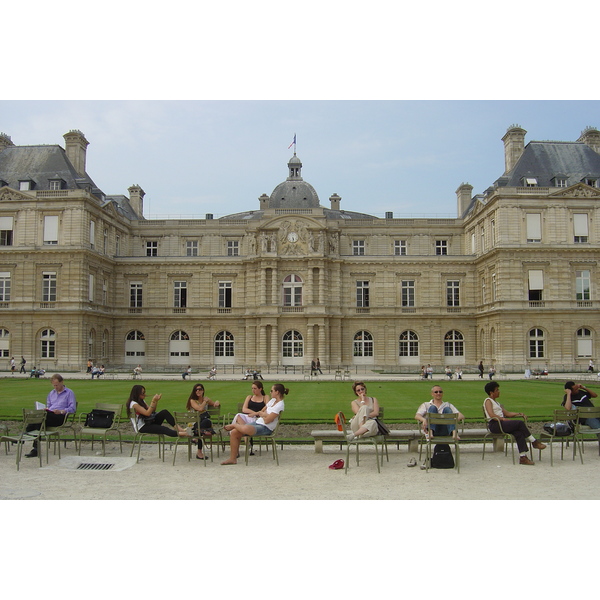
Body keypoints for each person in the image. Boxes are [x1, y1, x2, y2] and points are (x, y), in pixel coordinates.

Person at [221, 383, 287, 465]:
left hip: (266, 428)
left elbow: (267, 421)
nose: (270, 392)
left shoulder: (280, 405)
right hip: (258, 422)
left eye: (271, 391)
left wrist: (264, 415)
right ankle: (233, 458)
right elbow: (262, 412)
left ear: (277, 392)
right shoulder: (272, 401)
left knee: (244, 429)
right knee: (234, 432)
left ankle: (234, 425)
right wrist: (264, 415)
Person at [483, 381, 546, 465]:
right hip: (495, 424)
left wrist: (519, 414)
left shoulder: (497, 403)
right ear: (491, 392)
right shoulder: (488, 401)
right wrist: (503, 419)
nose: (499, 391)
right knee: (519, 423)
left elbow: (507, 413)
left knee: (519, 433)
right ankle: (534, 442)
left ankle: (523, 457)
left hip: (500, 423)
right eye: (497, 390)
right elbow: (491, 414)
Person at [25, 374, 76, 458]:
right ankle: (35, 449)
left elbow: (72, 408)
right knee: (39, 420)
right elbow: (48, 406)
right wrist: (45, 409)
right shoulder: (51, 393)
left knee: (40, 418)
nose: (55, 387)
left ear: (62, 382)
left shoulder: (69, 393)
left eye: (57, 385)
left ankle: (26, 433)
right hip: (49, 415)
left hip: (60, 417)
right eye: (54, 385)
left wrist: (61, 411)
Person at [186, 383, 220, 460]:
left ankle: (198, 447)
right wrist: (205, 401)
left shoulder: (205, 399)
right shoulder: (192, 400)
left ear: (203, 390)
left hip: (201, 424)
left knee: (205, 424)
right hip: (194, 423)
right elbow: (200, 408)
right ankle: (199, 451)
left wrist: (217, 403)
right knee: (204, 425)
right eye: (196, 390)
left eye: (200, 389)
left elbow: (214, 404)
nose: (198, 391)